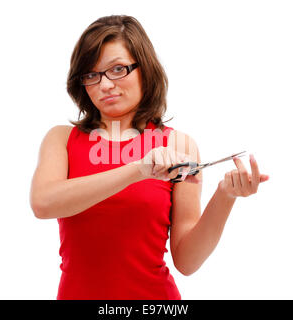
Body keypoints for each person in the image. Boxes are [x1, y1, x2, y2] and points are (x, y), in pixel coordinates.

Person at [29, 15, 269, 300]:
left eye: (118, 69)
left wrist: (225, 197)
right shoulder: (61, 139)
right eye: (91, 74)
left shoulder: (178, 144)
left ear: (145, 69)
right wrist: (138, 169)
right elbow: (43, 203)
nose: (104, 85)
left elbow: (188, 262)